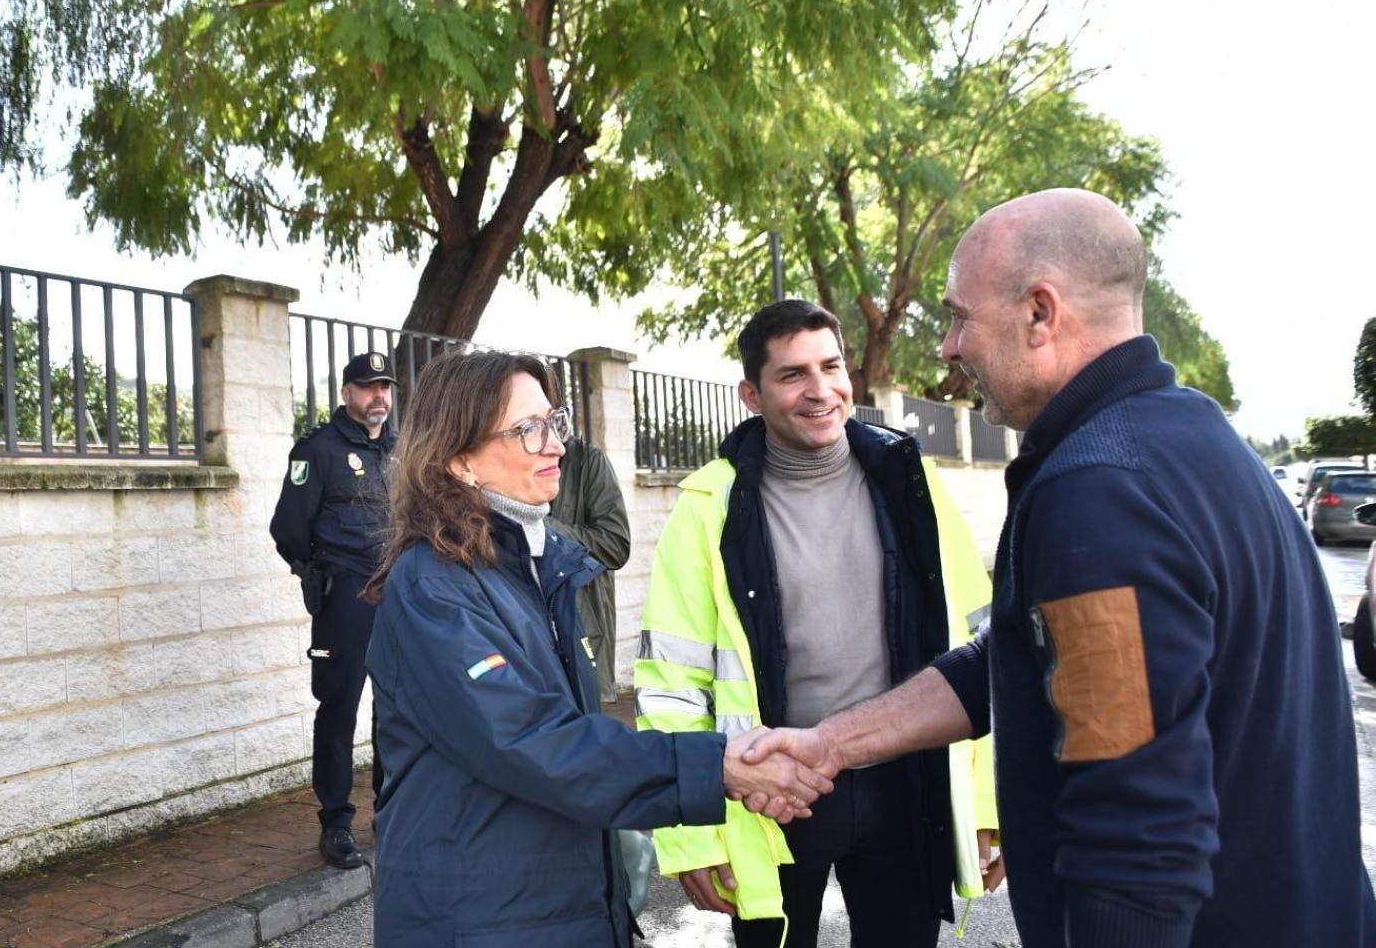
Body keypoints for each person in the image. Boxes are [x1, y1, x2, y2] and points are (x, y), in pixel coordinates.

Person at [742, 188, 1376, 947]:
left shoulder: (1101, 491)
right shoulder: (1188, 435)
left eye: (958, 316)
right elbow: (1012, 656)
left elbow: (1135, 832)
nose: (947, 347)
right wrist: (832, 744)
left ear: (1040, 313)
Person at [362, 350, 833, 948]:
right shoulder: (433, 585)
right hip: (478, 918)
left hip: (549, 907)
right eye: (527, 430)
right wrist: (716, 765)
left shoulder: (534, 568)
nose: (555, 445)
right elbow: (531, 740)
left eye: (553, 423)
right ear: (458, 458)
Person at [635, 300, 999, 947]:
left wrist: (986, 800)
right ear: (752, 393)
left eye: (831, 366)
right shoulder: (707, 508)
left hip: (904, 782)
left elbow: (980, 650)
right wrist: (690, 834)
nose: (820, 390)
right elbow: (672, 682)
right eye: (793, 374)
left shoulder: (911, 483)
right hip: (770, 793)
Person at [268, 350, 398, 870]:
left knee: (394, 708)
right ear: (347, 393)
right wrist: (317, 569)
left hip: (396, 597)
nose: (378, 397)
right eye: (368, 388)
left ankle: (390, 809)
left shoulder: (401, 449)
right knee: (339, 707)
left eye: (385, 387)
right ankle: (337, 822)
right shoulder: (317, 450)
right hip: (345, 597)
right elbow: (288, 527)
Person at [548, 435, 631, 705]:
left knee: (584, 721)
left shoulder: (587, 463)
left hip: (581, 626)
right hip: (528, 633)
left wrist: (545, 529)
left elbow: (615, 545)